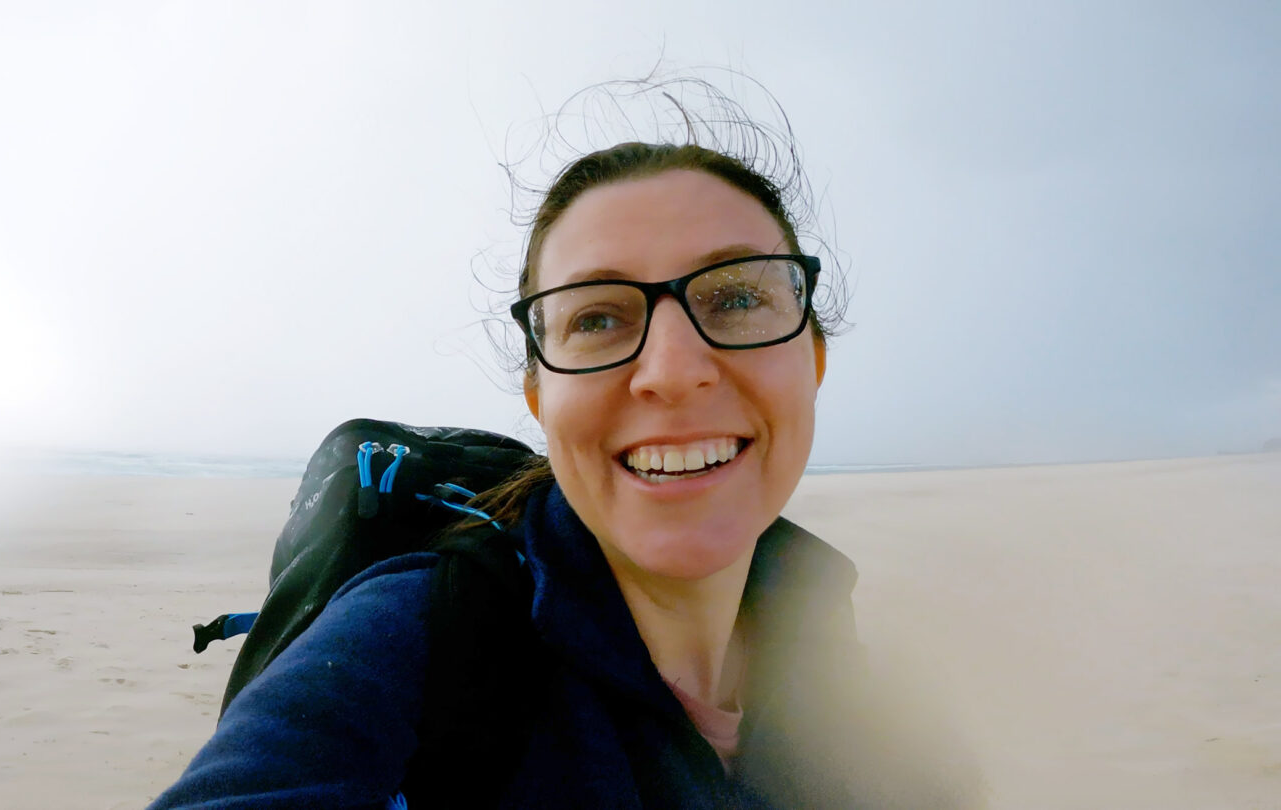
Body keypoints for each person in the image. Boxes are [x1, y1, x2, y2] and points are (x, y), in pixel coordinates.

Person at [149, 81, 979, 809]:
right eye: (598, 317)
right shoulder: (418, 640)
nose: (674, 370)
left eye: (733, 298)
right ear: (541, 398)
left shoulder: (837, 657)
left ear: (814, 357)